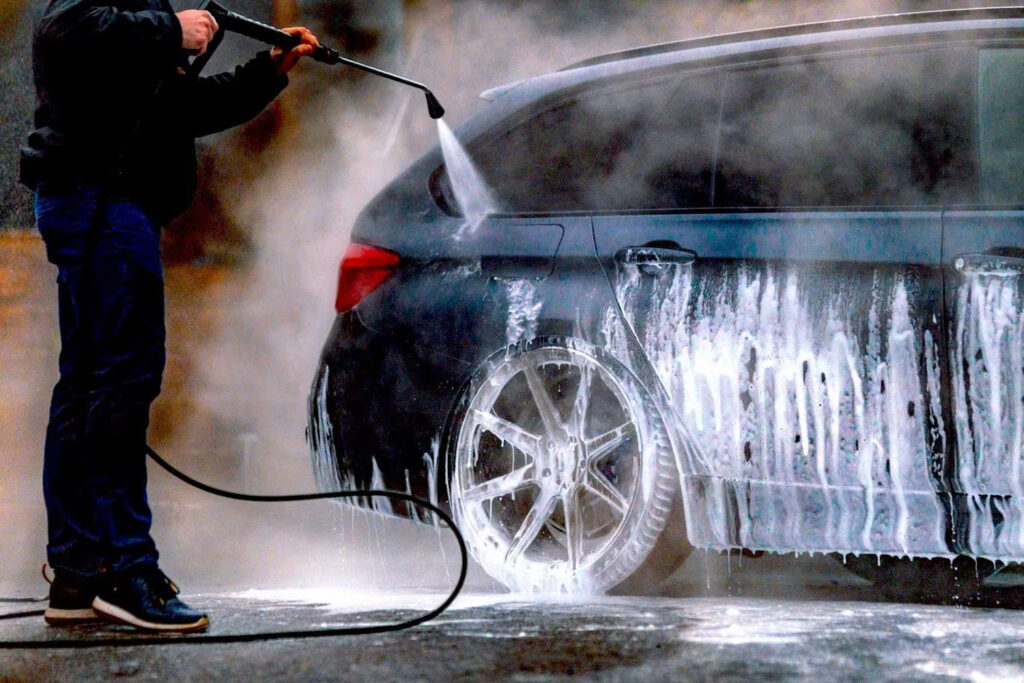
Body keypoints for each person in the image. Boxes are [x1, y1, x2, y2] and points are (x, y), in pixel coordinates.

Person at [20, 0, 319, 633]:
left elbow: (176, 112)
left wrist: (268, 71)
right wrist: (169, 29)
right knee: (120, 387)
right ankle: (128, 571)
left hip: (99, 201)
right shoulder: (110, 14)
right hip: (99, 201)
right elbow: (61, 29)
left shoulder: (132, 25)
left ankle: (80, 576)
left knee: (88, 386)